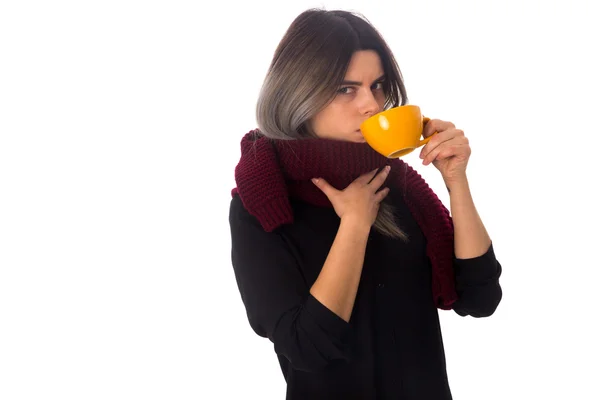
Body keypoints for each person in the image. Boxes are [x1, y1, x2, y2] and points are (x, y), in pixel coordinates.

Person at [228, 8, 502, 400]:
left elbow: (481, 296)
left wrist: (455, 180)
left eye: (378, 86)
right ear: (298, 91)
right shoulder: (262, 201)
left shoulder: (397, 184)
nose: (371, 105)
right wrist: (355, 224)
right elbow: (305, 347)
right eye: (346, 89)